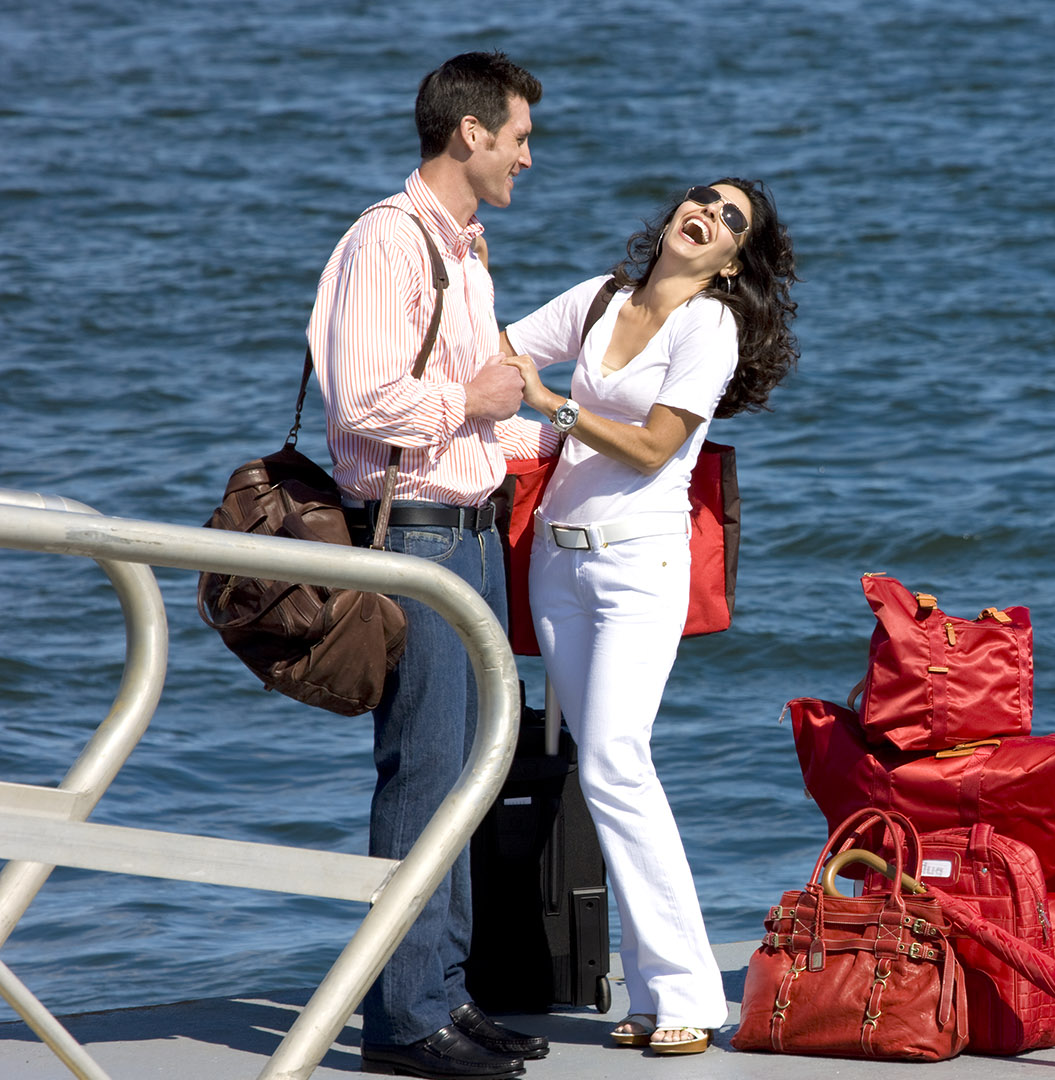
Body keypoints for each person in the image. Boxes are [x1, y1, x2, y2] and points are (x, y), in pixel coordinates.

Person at [497, 178, 798, 1055]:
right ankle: (652, 988)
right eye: (704, 199)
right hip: (559, 561)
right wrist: (458, 285)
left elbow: (657, 444)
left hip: (640, 567)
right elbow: (498, 349)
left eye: (731, 220)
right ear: (675, 215)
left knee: (618, 765)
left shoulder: (710, 326)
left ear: (730, 259)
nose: (709, 213)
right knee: (600, 771)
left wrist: (549, 404)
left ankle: (691, 994)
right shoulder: (599, 299)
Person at [307, 51, 556, 1080]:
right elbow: (361, 403)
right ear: (470, 133)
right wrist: (477, 405)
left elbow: (470, 402)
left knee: (467, 775)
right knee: (424, 776)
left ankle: (444, 995)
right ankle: (407, 1022)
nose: (529, 159)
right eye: (521, 137)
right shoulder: (389, 242)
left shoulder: (461, 246)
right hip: (413, 536)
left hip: (469, 534)